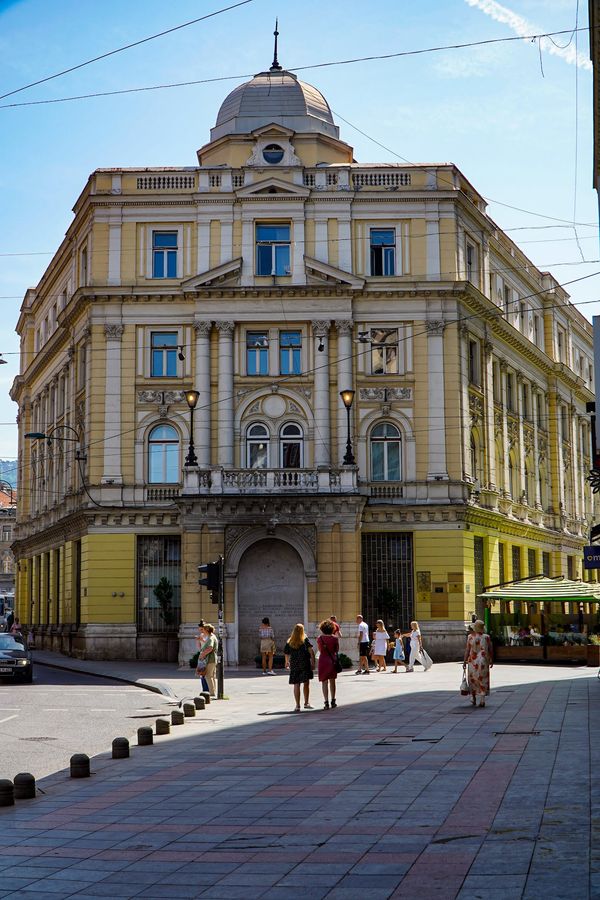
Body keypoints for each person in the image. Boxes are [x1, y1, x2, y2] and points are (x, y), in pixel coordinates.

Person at [284, 623, 315, 712]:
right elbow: (311, 651)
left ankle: (297, 705)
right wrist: (313, 662)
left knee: (296, 684)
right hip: (304, 663)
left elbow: (286, 652)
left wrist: (287, 662)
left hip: (294, 664)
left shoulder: (290, 641)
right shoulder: (305, 640)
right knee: (306, 683)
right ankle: (306, 703)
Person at [463, 619, 493, 708]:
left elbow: (467, 650)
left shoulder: (470, 637)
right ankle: (482, 699)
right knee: (483, 679)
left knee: (473, 679)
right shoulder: (486, 637)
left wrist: (464, 661)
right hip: (483, 661)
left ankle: (473, 697)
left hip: (472, 661)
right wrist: (491, 659)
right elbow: (491, 649)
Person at [317, 619, 339, 709]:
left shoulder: (320, 638)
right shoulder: (334, 638)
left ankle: (326, 702)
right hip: (332, 661)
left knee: (324, 682)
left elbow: (319, 650)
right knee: (332, 681)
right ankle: (333, 700)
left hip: (323, 660)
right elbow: (336, 650)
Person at [198, 624, 218, 697]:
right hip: (212, 659)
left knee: (208, 676)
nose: (202, 631)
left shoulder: (211, 638)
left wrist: (202, 654)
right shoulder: (212, 637)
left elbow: (210, 648)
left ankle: (212, 693)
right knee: (212, 676)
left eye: (203, 630)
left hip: (210, 659)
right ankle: (213, 692)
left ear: (207, 630)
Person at [195, 623, 209, 693]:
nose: (200, 631)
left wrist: (202, 640)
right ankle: (204, 690)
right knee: (201, 673)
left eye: (202, 629)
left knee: (206, 673)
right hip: (201, 656)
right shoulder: (201, 635)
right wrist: (198, 640)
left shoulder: (209, 636)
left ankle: (207, 690)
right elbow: (199, 648)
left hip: (207, 656)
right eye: (199, 629)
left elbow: (208, 645)